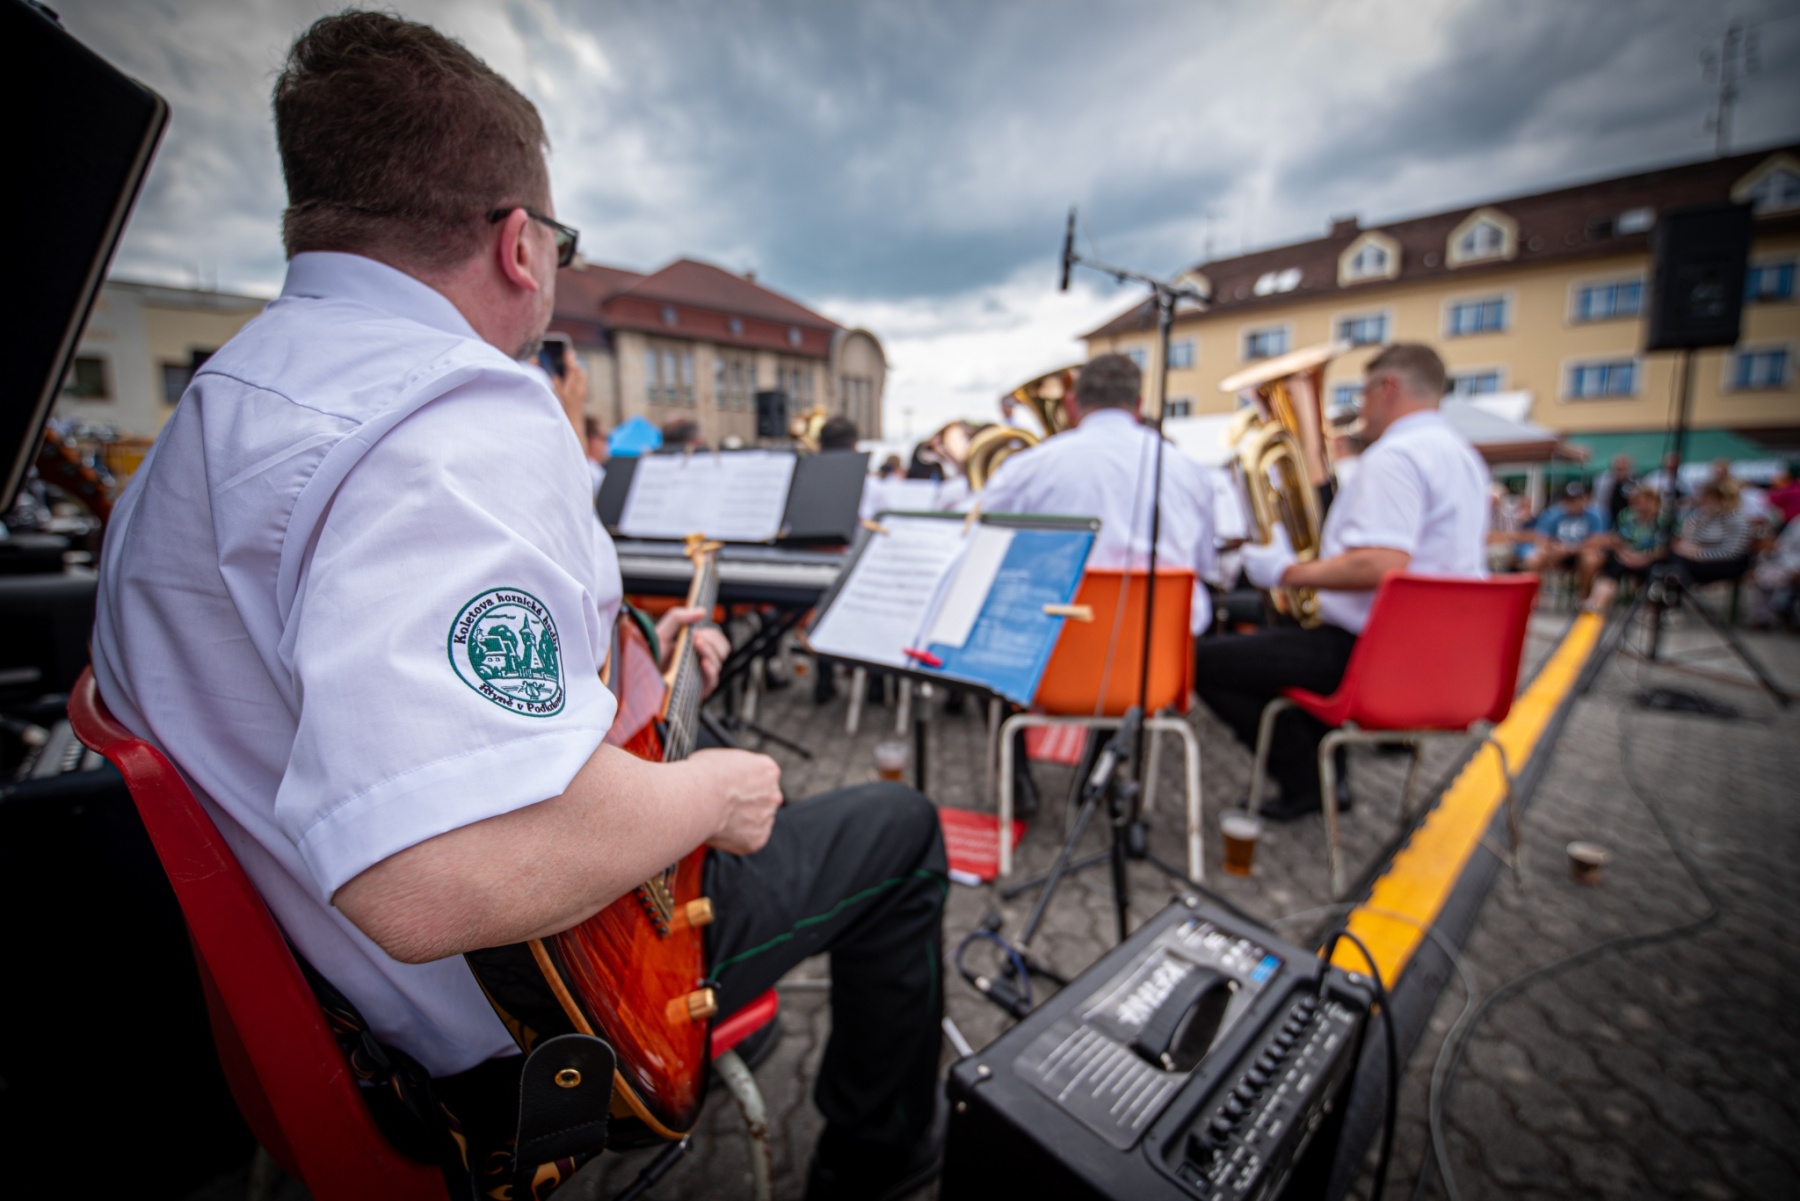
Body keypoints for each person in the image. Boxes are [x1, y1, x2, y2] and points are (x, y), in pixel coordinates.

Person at [89, 15, 946, 1201]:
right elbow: (432, 869)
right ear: (519, 244)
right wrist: (713, 792)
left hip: (340, 1022)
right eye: (557, 241)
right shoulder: (448, 414)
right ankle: (878, 1175)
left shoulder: (203, 421)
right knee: (900, 832)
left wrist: (635, 666)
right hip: (515, 1026)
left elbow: (395, 685)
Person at [1195, 343, 1489, 821]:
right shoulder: (1462, 455)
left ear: (1388, 387)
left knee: (1197, 661)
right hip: (1441, 657)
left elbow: (1380, 564)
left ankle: (1306, 781)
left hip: (1373, 653)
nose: (1359, 407)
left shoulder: (1395, 456)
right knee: (1282, 648)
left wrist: (1286, 572)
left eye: (1362, 393)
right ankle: (1326, 778)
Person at [975, 353, 1218, 634]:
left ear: (1072, 403)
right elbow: (1204, 564)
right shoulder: (1191, 470)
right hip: (1164, 644)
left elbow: (983, 558)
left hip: (1056, 643)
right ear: (1139, 405)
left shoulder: (1026, 468)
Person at [1583, 484, 1667, 613]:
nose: (1635, 505)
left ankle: (1649, 609)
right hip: (1625, 556)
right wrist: (1624, 554)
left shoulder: (1663, 522)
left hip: (1650, 560)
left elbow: (1665, 548)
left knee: (1655, 573)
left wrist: (1642, 558)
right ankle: (1596, 602)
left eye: (1639, 501)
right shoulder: (1626, 516)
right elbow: (1617, 539)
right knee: (1612, 568)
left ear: (1652, 501)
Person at [1521, 481, 1608, 597]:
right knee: (1533, 560)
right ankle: (1532, 597)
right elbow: (1542, 539)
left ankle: (1584, 597)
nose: (1572, 503)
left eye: (1576, 499)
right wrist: (1554, 548)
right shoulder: (1552, 514)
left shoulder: (1595, 515)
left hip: (1581, 552)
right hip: (1557, 552)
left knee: (1590, 560)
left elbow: (1596, 541)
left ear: (1584, 499)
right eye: (1569, 499)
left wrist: (1570, 549)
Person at [1666, 477, 1753, 586]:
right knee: (1669, 559)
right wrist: (1687, 548)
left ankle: (1674, 587)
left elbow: (1732, 552)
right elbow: (1690, 539)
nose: (1707, 502)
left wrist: (1700, 554)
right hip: (1700, 558)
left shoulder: (1735, 520)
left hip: (1727, 562)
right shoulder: (1703, 516)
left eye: (1712, 498)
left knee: (1678, 566)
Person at [1592, 453, 1637, 526]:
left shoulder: (1636, 481)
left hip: (1628, 512)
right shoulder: (1603, 481)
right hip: (1608, 512)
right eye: (1618, 469)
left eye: (1624, 469)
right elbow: (1599, 502)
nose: (1621, 473)